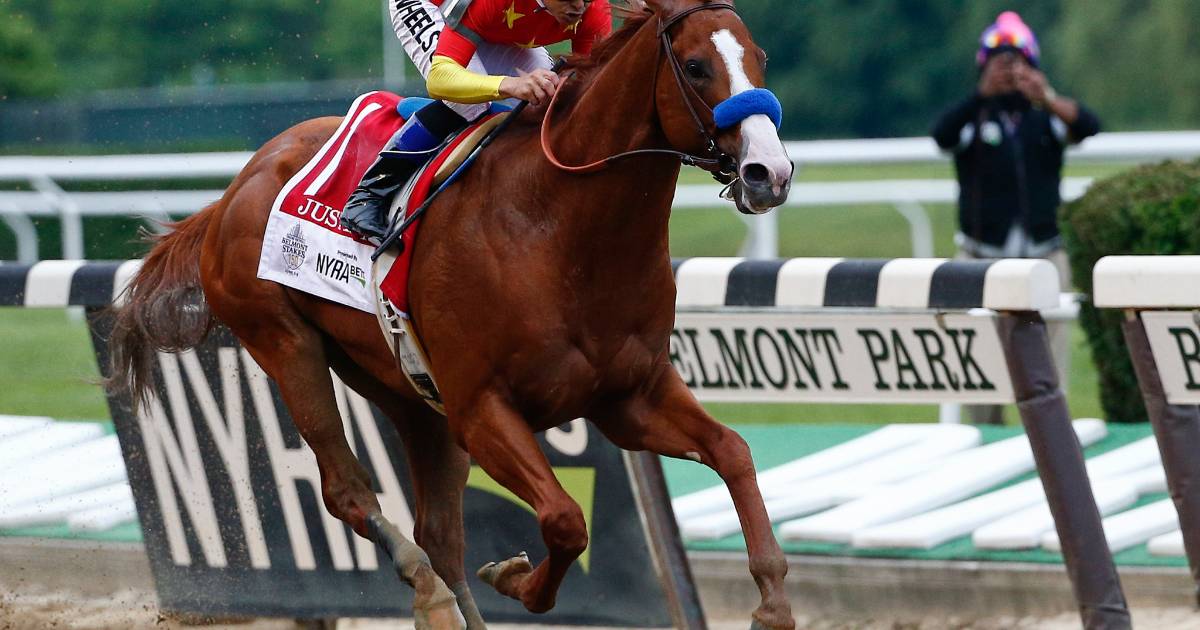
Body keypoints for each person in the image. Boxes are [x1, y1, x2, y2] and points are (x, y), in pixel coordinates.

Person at [931, 11, 1100, 424]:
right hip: (980, 255)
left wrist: (1047, 97)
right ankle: (986, 435)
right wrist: (981, 95)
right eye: (999, 64)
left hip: (1045, 254)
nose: (1009, 73)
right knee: (979, 364)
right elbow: (942, 135)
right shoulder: (974, 115)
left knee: (1049, 363)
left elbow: (1088, 126)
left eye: (1017, 64)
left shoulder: (1045, 116)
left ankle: (1050, 434)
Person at [341, 0, 612, 241]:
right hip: (436, 6)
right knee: (469, 104)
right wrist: (509, 85)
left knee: (549, 102)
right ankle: (369, 194)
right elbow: (440, 79)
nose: (579, 6)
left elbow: (589, 95)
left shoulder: (595, 10)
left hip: (495, 24)